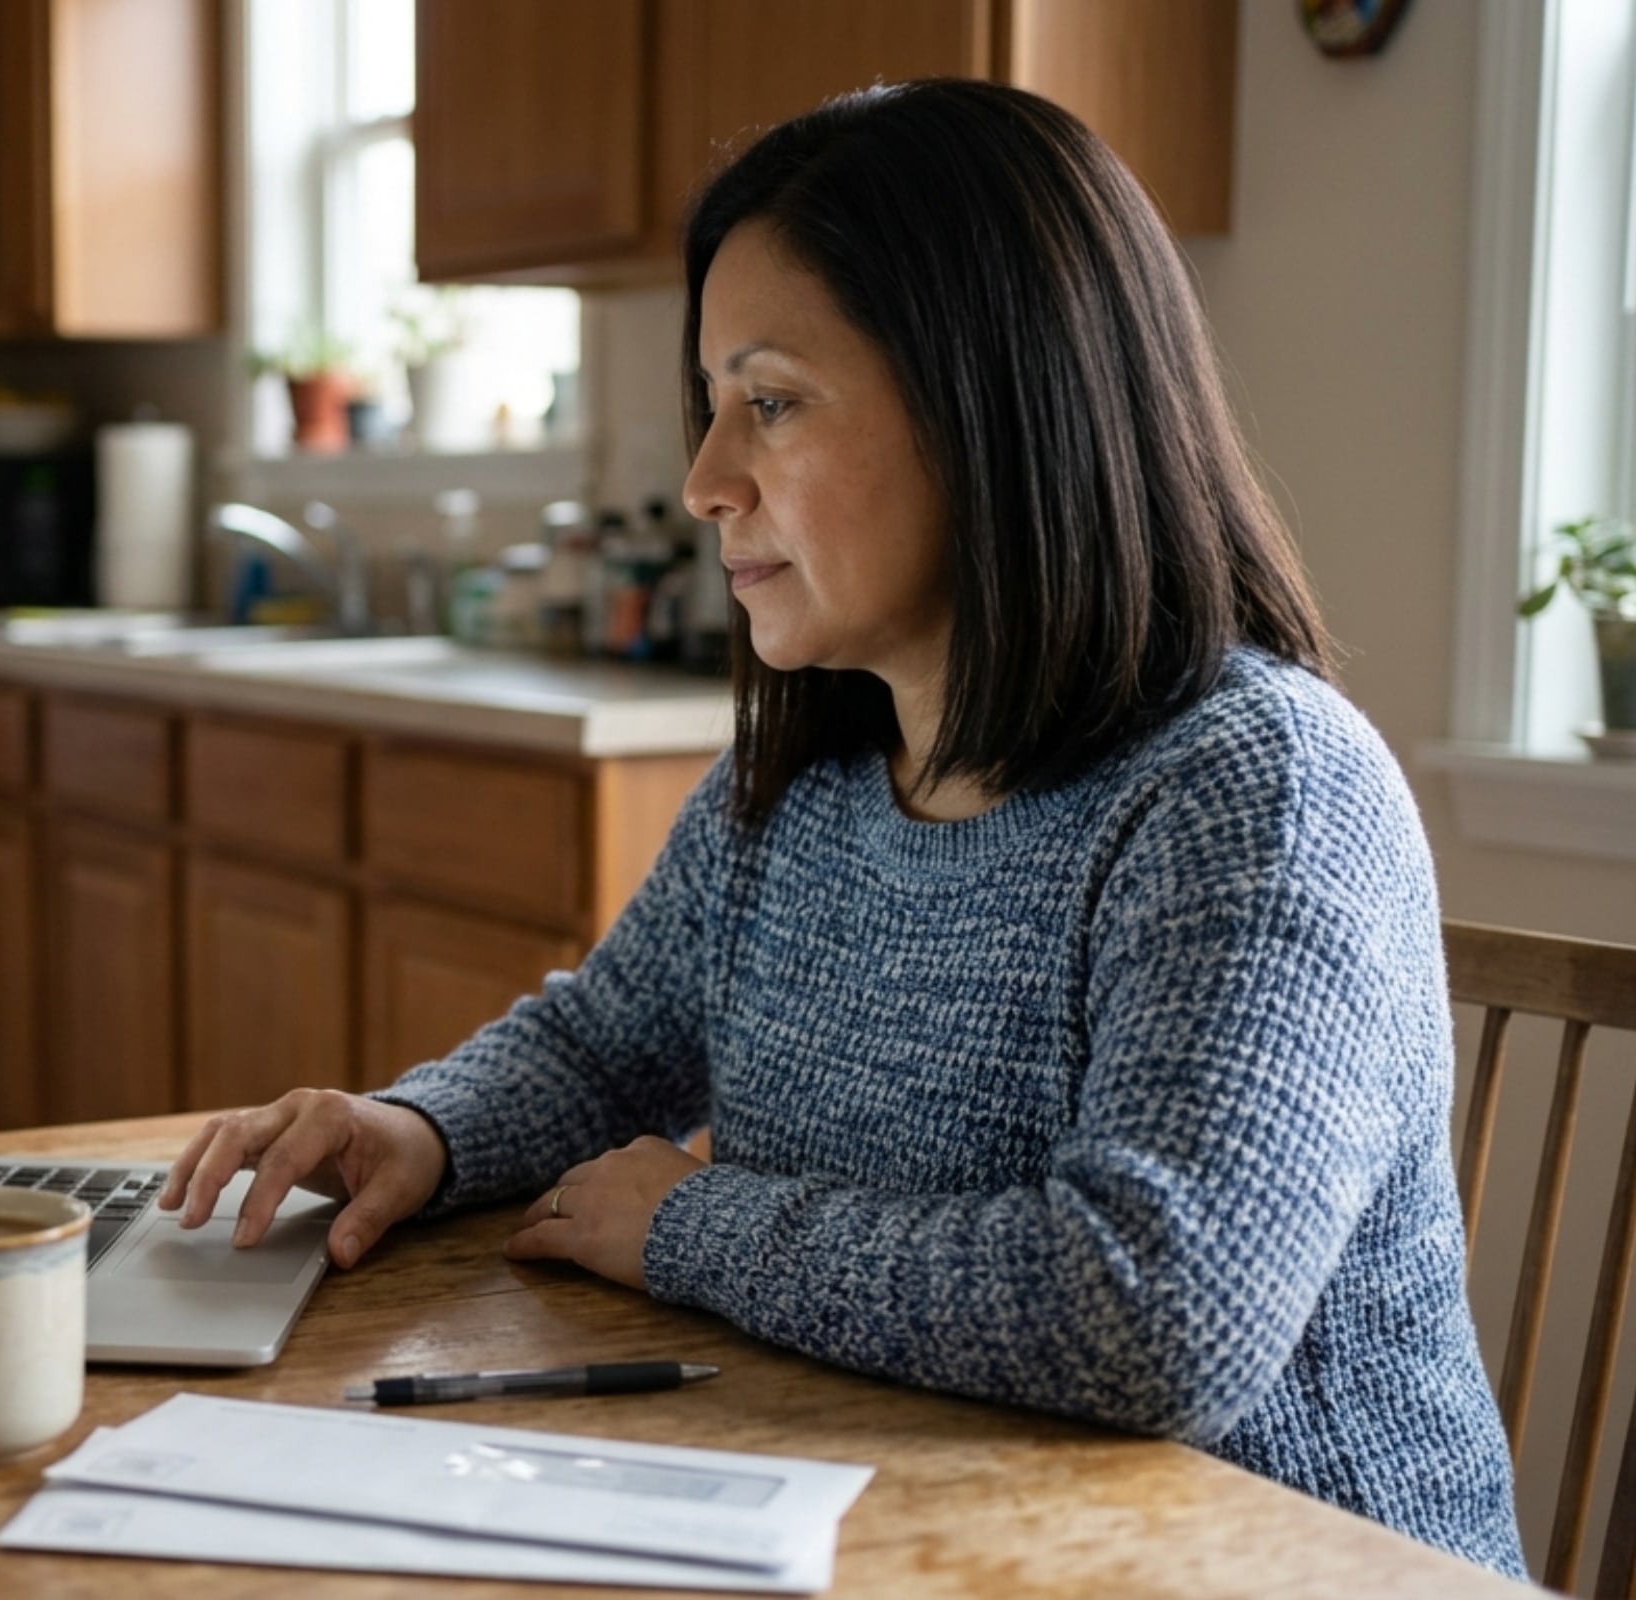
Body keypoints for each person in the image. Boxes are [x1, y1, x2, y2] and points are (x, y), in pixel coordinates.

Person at [158, 80, 1524, 1577]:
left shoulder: (1254, 787)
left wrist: (693, 1228)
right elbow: (609, 1041)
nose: (704, 481)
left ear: (992, 403)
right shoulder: (809, 778)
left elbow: (1155, 1311)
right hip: (912, 1531)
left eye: (774, 402)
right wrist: (417, 1128)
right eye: (711, 405)